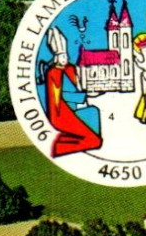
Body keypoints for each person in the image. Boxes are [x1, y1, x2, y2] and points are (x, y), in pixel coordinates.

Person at [41, 28, 102, 157]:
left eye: (66, 55)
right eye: (62, 56)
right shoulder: (53, 73)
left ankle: (58, 143)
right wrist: (86, 95)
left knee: (93, 117)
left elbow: (78, 86)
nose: (65, 58)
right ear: (56, 57)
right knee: (94, 140)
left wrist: (89, 92)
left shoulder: (70, 69)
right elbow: (61, 96)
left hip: (74, 109)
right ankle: (56, 148)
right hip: (61, 112)